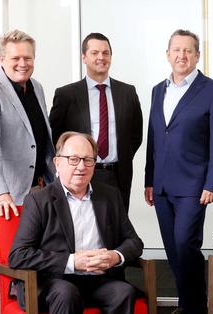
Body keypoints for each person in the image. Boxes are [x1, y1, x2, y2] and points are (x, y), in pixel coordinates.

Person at [9, 132, 142, 314]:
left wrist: (115, 256)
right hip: (53, 280)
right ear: (57, 162)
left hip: (97, 279)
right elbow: (18, 255)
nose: (81, 166)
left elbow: (134, 243)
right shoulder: (39, 200)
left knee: (123, 292)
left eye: (88, 160)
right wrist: (72, 262)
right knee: (66, 293)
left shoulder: (109, 195)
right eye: (73, 159)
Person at [144, 29, 213, 314]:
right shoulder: (158, 90)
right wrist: (149, 180)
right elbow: (154, 137)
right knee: (172, 248)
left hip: (194, 185)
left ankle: (198, 310)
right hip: (163, 184)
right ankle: (185, 303)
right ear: (168, 54)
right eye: (176, 50)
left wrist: (212, 183)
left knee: (185, 243)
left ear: (197, 56)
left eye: (188, 50)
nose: (182, 55)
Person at [0, 29, 55, 314]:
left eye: (28, 57)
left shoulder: (35, 86)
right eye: (15, 58)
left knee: (25, 253)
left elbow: (43, 138)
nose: (22, 63)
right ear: (2, 59)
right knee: (12, 256)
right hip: (7, 193)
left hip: (37, 186)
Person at [49, 32, 143, 211]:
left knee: (116, 230)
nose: (101, 57)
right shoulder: (66, 94)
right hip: (79, 174)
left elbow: (135, 136)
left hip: (118, 175)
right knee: (81, 227)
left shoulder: (127, 93)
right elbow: (56, 136)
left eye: (105, 53)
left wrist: (118, 157)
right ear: (84, 57)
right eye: (95, 53)